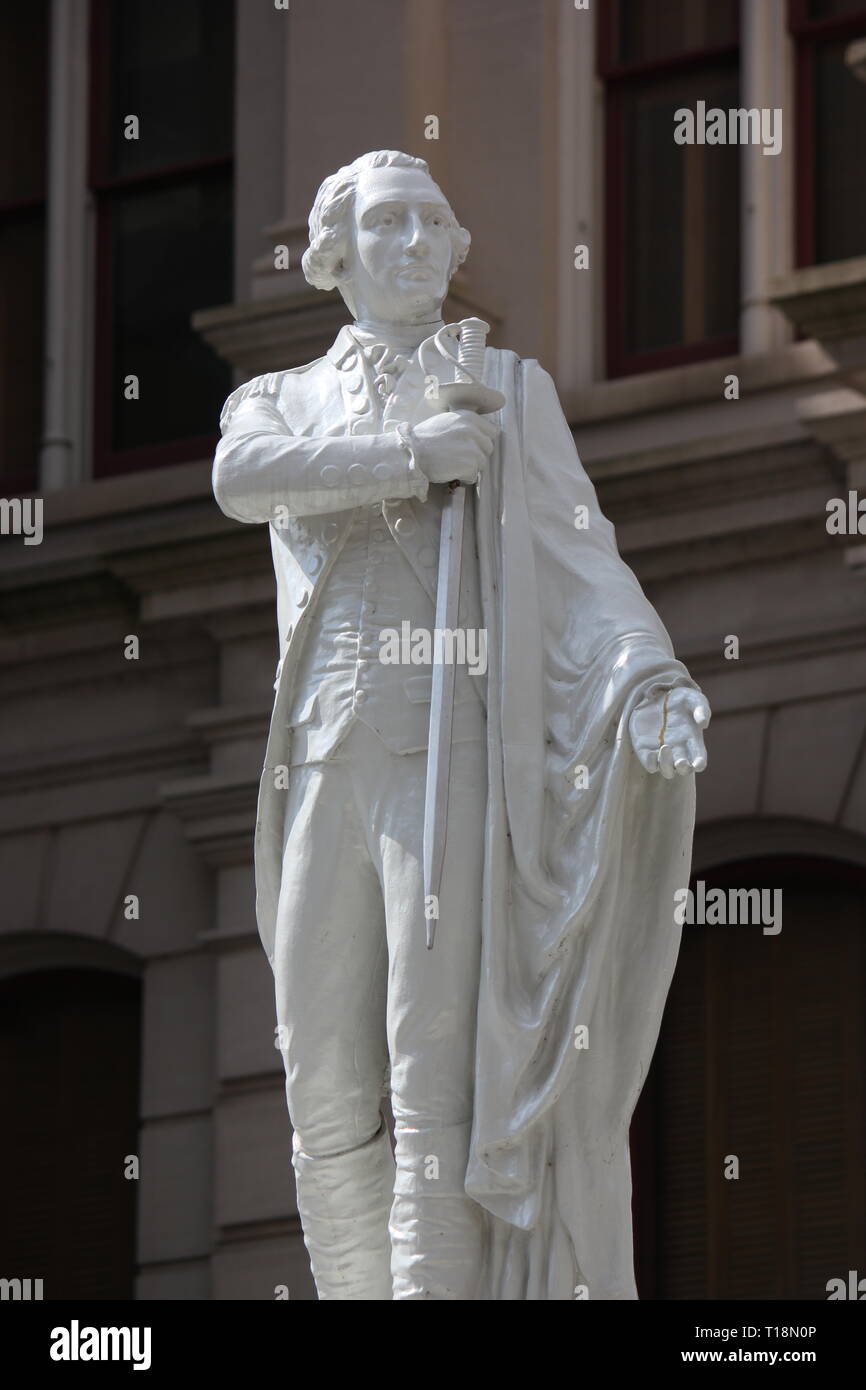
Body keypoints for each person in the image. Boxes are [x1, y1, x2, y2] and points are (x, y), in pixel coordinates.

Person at [212, 150, 710, 1300]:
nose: (418, 244)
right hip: (328, 760)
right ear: (334, 255)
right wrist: (410, 456)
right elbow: (243, 478)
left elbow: (580, 558)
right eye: (388, 225)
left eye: (434, 225)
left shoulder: (510, 390)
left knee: (428, 1071)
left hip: (448, 759)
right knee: (322, 1084)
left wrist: (648, 680)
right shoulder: (278, 400)